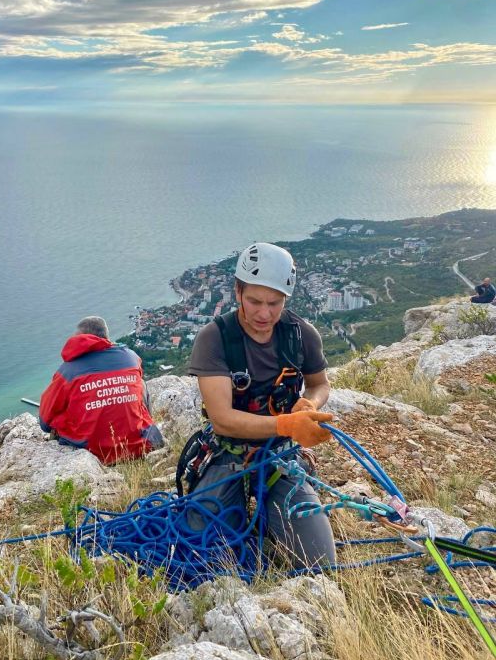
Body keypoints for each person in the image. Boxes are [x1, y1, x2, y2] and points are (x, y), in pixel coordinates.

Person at [186, 242, 336, 569]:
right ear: (237, 291)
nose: (264, 314)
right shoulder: (215, 339)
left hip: (280, 454)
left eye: (274, 303)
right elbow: (223, 419)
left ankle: (273, 515)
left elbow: (319, 383)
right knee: (199, 554)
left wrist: (308, 404)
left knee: (319, 563)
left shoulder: (300, 335)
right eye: (254, 301)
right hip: (228, 453)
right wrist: (285, 425)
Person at [39, 316, 163, 464]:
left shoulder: (66, 372)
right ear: (106, 337)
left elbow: (45, 423)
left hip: (92, 452)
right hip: (137, 446)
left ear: (78, 339)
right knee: (140, 383)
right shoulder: (132, 358)